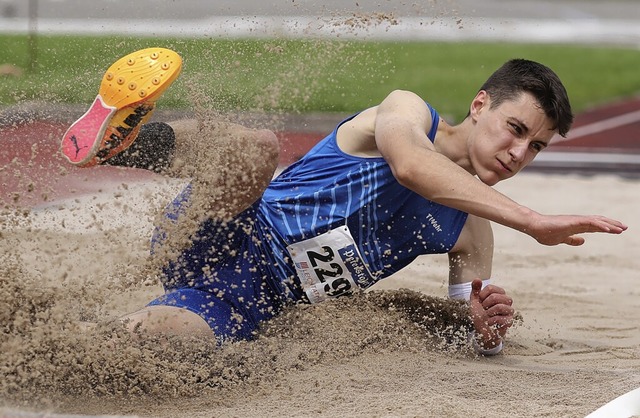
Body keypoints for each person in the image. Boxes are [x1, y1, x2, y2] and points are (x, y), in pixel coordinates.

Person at [61, 47, 627, 355]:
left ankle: (57, 342)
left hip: (252, 303)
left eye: (536, 147)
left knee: (160, 345)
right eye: (514, 128)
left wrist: (479, 324)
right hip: (223, 229)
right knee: (256, 151)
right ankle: (126, 140)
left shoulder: (473, 229)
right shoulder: (408, 112)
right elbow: (410, 166)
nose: (518, 152)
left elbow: (462, 314)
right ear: (480, 105)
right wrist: (533, 220)